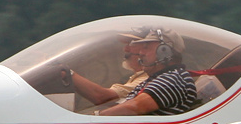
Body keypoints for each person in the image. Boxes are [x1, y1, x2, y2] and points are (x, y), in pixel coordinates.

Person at [60, 26, 197, 116]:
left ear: (164, 52)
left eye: (146, 47)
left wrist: (92, 119)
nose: (141, 53)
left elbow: (135, 107)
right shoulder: (160, 78)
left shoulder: (172, 79)